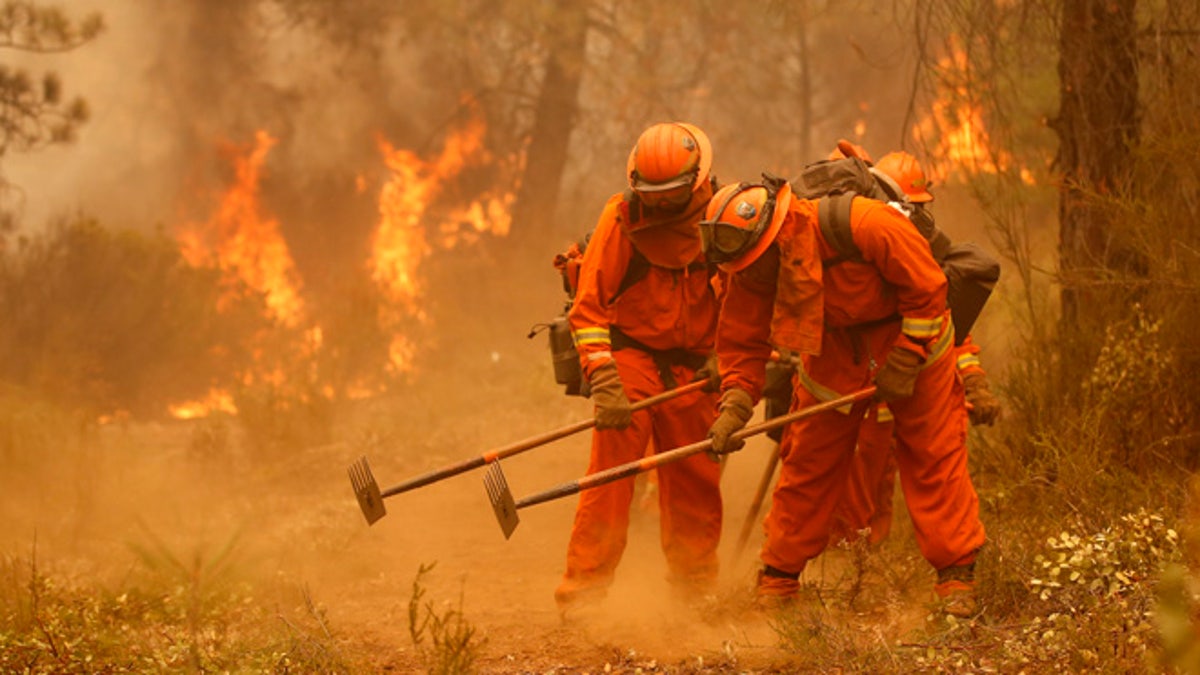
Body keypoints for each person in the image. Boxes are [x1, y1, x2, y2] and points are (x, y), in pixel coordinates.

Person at [701, 173, 986, 617]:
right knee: (807, 463)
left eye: (757, 263)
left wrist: (907, 356)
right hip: (833, 351)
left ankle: (956, 577)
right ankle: (779, 579)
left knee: (934, 457)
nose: (753, 275)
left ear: (779, 234)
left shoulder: (866, 224)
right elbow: (741, 340)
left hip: (915, 339)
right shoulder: (749, 267)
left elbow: (930, 290)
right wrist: (736, 403)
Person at [555, 122, 724, 619]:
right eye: (653, 193)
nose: (662, 204)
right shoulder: (622, 217)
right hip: (631, 354)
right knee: (614, 469)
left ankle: (694, 590)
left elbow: (744, 293)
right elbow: (588, 309)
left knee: (695, 472)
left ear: (696, 182)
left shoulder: (722, 215)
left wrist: (729, 356)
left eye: (672, 194)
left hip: (696, 364)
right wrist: (604, 379)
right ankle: (583, 593)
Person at [828, 150, 1003, 546]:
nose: (919, 218)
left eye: (921, 209)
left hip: (899, 388)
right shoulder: (855, 248)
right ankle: (835, 558)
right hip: (845, 381)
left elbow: (948, 329)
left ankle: (867, 561)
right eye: (914, 208)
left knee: (882, 475)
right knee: (834, 474)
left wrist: (973, 380)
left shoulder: (919, 253)